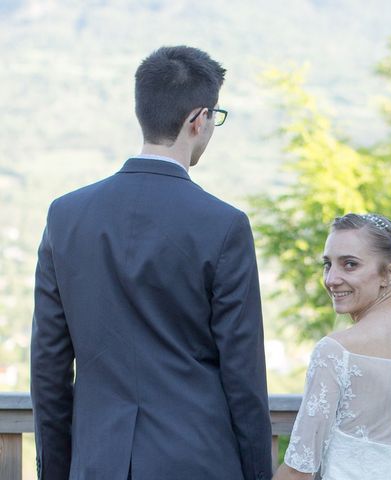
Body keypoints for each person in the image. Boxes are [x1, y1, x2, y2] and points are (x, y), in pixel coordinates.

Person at [30, 46, 272, 480]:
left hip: (97, 462)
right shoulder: (224, 225)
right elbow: (244, 377)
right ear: (198, 119)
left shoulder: (65, 215)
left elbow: (48, 366)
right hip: (199, 461)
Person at [274, 213, 391, 480]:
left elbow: (297, 471)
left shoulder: (335, 352)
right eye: (328, 265)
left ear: (389, 273)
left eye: (349, 264)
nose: (331, 279)